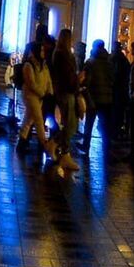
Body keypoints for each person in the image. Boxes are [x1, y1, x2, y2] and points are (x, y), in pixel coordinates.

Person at [17, 43, 55, 158]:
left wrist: (50, 93)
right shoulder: (29, 65)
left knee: (29, 120)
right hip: (30, 96)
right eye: (41, 50)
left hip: (39, 97)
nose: (43, 53)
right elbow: (31, 83)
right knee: (38, 120)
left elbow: (48, 80)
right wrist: (43, 93)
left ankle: (21, 143)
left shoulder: (43, 65)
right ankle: (45, 145)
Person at [51, 29, 81, 173]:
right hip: (66, 92)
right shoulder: (62, 55)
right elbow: (67, 76)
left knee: (71, 123)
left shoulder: (62, 54)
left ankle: (58, 147)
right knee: (70, 124)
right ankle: (60, 149)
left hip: (67, 91)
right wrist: (78, 79)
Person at [81, 39, 114, 152]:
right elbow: (112, 79)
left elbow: (86, 81)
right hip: (107, 98)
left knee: (89, 123)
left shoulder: (90, 62)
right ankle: (107, 146)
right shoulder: (109, 62)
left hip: (94, 97)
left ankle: (86, 145)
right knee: (105, 125)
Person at [112, 41, 130, 138]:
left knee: (114, 111)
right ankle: (118, 130)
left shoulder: (111, 58)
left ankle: (113, 130)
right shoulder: (123, 59)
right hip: (121, 90)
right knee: (119, 112)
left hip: (113, 89)